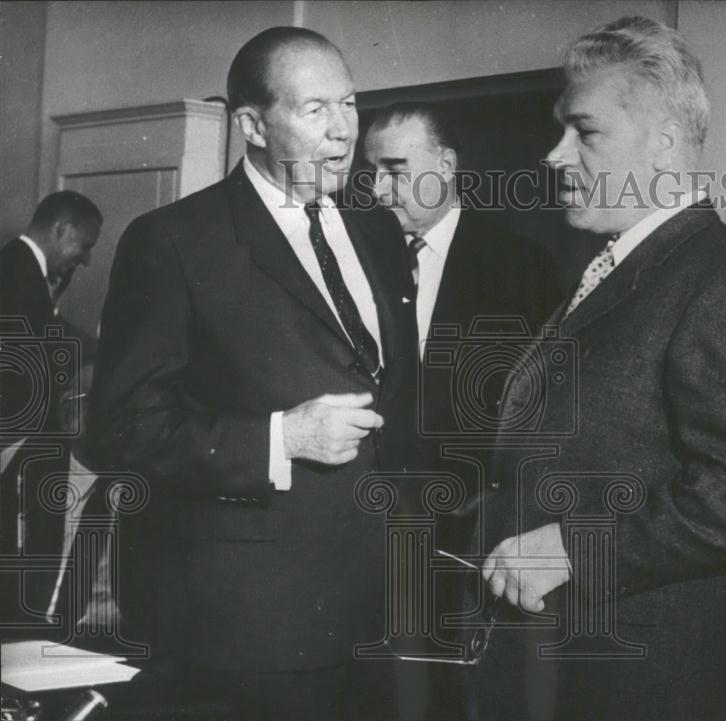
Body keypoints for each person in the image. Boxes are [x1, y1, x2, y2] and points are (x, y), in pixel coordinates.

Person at [86, 27, 419, 720]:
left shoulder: (378, 231)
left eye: (351, 104)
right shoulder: (174, 242)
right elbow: (120, 429)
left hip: (383, 613)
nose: (343, 131)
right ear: (251, 125)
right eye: (315, 109)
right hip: (251, 630)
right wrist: (281, 438)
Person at [474, 16, 726, 721]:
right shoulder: (620, 266)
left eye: (584, 133)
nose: (556, 155)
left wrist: (570, 547)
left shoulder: (716, 285)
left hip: (631, 684)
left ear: (664, 143)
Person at [363, 102, 562, 719]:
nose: (376, 189)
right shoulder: (357, 260)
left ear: (445, 165)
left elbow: (544, 416)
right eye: (369, 173)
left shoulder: (521, 267)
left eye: (394, 170)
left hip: (470, 543)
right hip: (370, 536)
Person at [0, 190, 101, 615]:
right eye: (85, 246)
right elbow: (31, 362)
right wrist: (100, 355)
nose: (86, 260)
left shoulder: (19, 270)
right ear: (62, 229)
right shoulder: (19, 273)